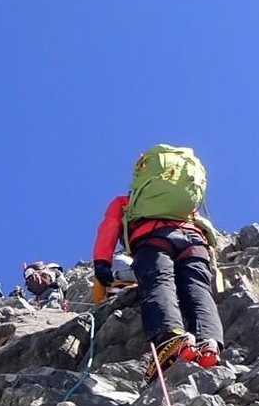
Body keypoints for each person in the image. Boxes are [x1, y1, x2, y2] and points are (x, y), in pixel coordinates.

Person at [93, 145, 224, 378]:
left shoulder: (127, 201)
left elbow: (109, 227)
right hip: (194, 242)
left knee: (159, 282)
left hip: (153, 238)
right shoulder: (186, 205)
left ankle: (170, 339)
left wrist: (102, 262)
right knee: (197, 290)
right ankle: (209, 344)